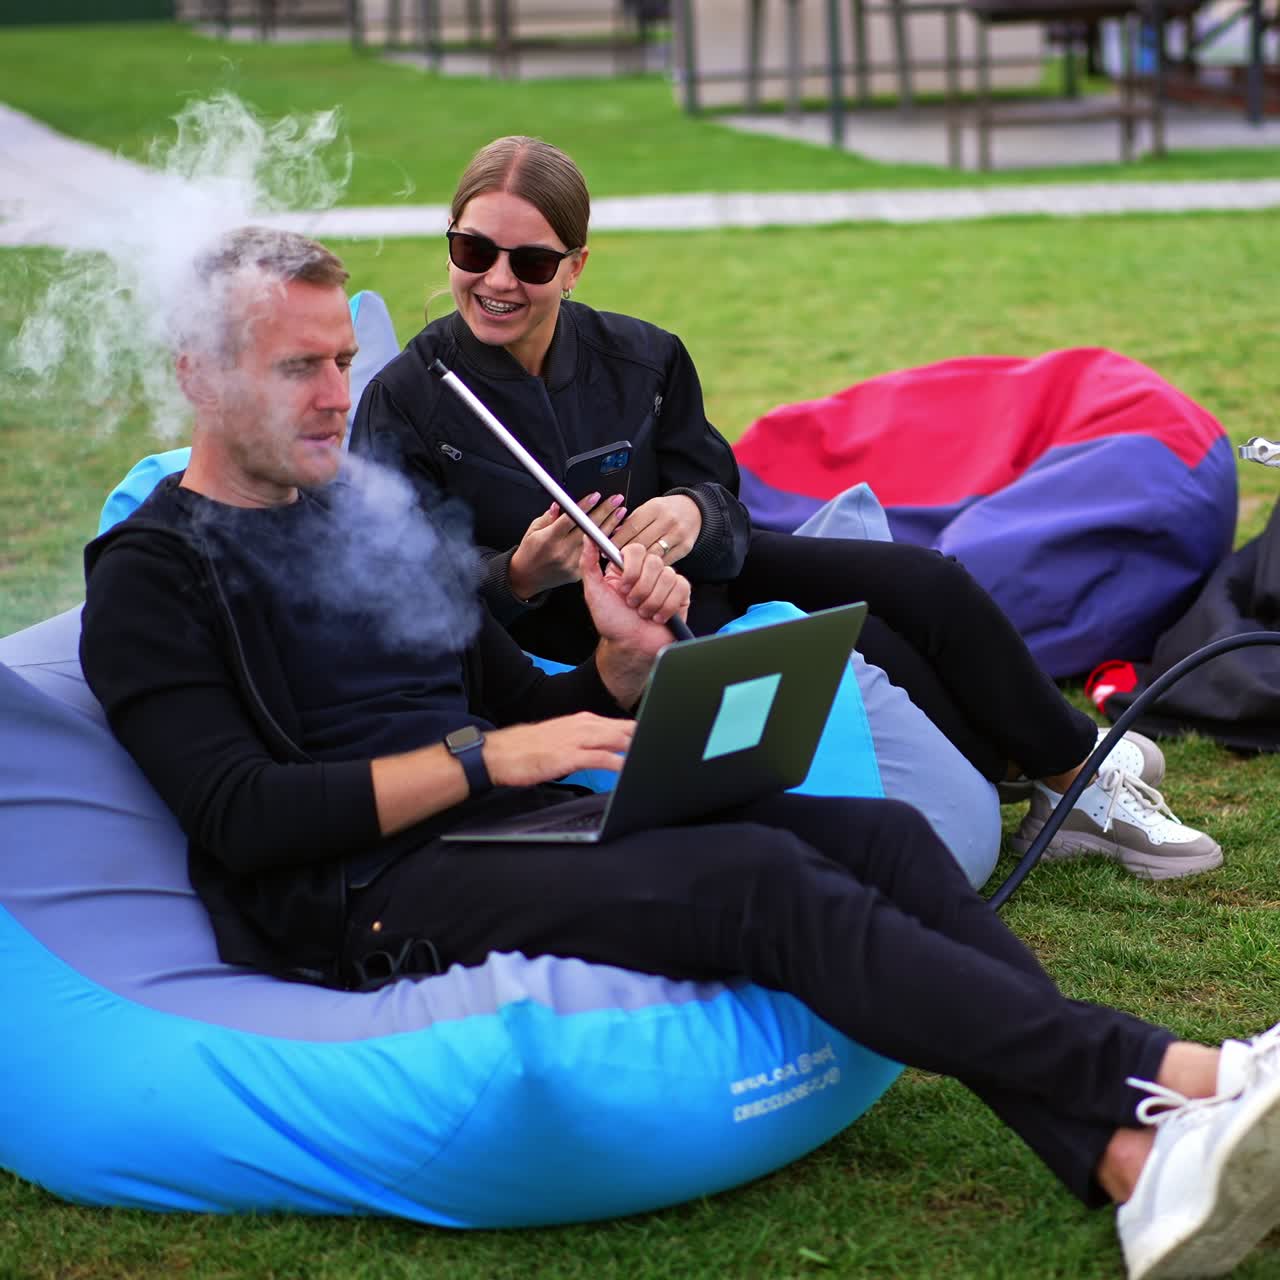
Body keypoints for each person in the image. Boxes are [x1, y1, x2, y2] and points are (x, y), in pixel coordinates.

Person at [79, 226, 1280, 1280]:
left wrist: (617, 666)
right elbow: (240, 815)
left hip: (508, 817)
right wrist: (497, 758)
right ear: (197, 372)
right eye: (300, 367)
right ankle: (1183, 1074)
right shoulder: (152, 574)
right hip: (362, 888)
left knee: (879, 835)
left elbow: (525, 695)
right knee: (759, 884)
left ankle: (1126, 1154)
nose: (339, 392)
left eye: (343, 358)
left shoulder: (366, 510)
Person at [350, 135, 1222, 884]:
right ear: (452, 246)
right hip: (573, 637)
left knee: (924, 580)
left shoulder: (644, 357)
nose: (497, 281)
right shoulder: (406, 398)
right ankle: (1050, 775)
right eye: (473, 252)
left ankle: (1073, 774)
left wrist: (691, 514)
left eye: (530, 262)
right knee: (874, 654)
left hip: (697, 577)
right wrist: (516, 573)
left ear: (575, 266)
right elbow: (403, 593)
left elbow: (718, 489)